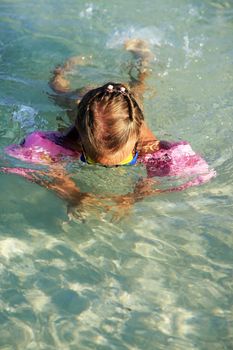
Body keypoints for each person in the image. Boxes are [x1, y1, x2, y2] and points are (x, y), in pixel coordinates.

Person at [2, 39, 215, 220]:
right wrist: (73, 195)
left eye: (126, 161)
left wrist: (134, 198)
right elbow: (44, 170)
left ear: (136, 141)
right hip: (79, 101)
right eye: (91, 160)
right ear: (81, 143)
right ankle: (63, 68)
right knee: (57, 90)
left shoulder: (150, 146)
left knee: (139, 88)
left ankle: (143, 58)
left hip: (127, 107)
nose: (110, 168)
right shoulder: (66, 142)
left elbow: (189, 175)